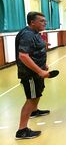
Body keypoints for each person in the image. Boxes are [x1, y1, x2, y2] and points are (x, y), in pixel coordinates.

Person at [15, 11, 51, 139]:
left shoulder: (34, 33)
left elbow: (34, 50)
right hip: (30, 74)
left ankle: (34, 111)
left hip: (37, 71)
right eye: (41, 21)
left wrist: (43, 65)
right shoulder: (27, 35)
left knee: (36, 93)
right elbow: (23, 55)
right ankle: (22, 130)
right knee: (31, 99)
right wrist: (40, 71)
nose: (45, 22)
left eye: (45, 20)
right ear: (32, 22)